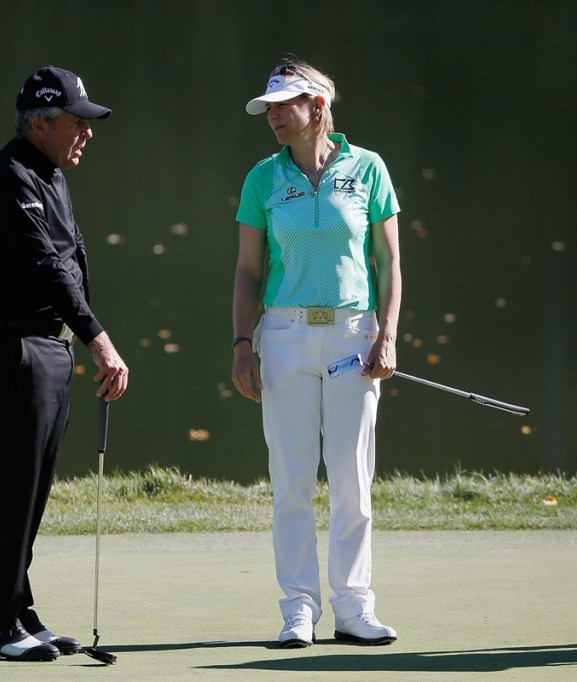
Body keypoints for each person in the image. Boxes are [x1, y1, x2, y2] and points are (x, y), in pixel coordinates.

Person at [231, 59, 402, 649]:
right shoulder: (262, 179)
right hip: (283, 336)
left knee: (353, 479)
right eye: (269, 107)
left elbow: (388, 262)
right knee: (292, 481)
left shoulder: (368, 168)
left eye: (284, 105)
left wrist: (388, 333)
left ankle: (354, 607)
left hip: (355, 334)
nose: (273, 116)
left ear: (318, 107)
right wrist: (241, 344)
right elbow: (249, 271)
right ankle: (298, 609)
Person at [0, 65, 129, 662]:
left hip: (50, 349)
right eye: (75, 123)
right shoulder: (10, 178)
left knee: (33, 492)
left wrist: (79, 337)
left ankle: (18, 611)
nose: (86, 134)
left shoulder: (50, 173)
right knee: (12, 490)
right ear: (39, 124)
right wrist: (100, 341)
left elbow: (73, 259)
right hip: (15, 351)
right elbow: (47, 267)